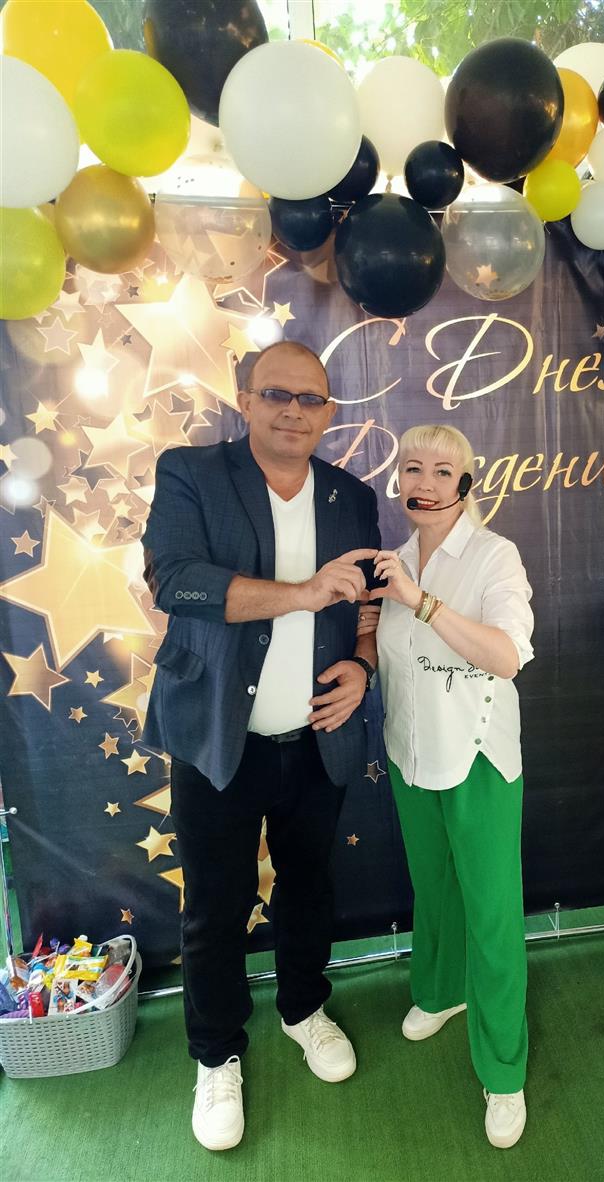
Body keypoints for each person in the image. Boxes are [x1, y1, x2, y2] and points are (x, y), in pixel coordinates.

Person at [141, 340, 380, 1152]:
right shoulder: (191, 473)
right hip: (219, 738)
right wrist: (304, 593)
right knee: (216, 904)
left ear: (328, 412)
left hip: (318, 739)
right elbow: (175, 581)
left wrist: (362, 665)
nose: (293, 411)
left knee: (309, 887)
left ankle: (304, 1008)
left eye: (311, 399)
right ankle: (216, 1053)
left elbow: (369, 602)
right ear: (244, 400)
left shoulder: (352, 496)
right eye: (276, 394)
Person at [368, 423, 534, 1149]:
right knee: (433, 889)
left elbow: (506, 656)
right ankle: (440, 992)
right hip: (410, 751)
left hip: (478, 758)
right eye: (413, 468)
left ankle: (504, 1072)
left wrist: (421, 602)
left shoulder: (495, 555)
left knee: (492, 916)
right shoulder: (394, 560)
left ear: (466, 483)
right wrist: (369, 624)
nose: (425, 483)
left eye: (442, 471)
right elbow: (390, 654)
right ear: (398, 481)